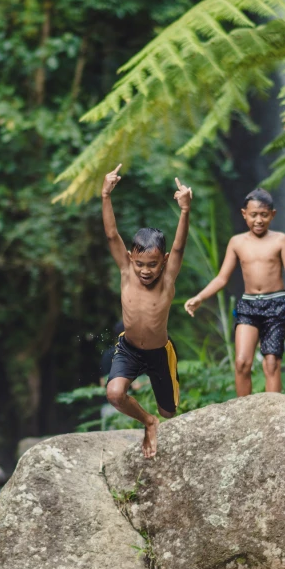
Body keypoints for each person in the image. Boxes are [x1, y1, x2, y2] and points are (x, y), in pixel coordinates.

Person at [102, 164, 192, 458]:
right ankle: (147, 422)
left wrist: (185, 211)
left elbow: (178, 249)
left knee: (170, 413)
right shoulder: (127, 273)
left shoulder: (167, 279)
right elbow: (112, 235)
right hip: (128, 349)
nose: (145, 270)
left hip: (159, 353)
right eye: (140, 264)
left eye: (152, 264)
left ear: (163, 261)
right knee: (115, 393)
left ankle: (160, 418)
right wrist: (105, 195)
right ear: (131, 258)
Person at [184, 188, 285, 396]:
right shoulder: (237, 242)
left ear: (273, 215)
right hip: (249, 305)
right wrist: (200, 297)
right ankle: (244, 413)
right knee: (241, 362)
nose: (259, 220)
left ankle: (274, 414)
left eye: (264, 215)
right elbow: (222, 278)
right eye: (254, 215)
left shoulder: (280, 240)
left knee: (271, 362)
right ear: (244, 214)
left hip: (276, 304)